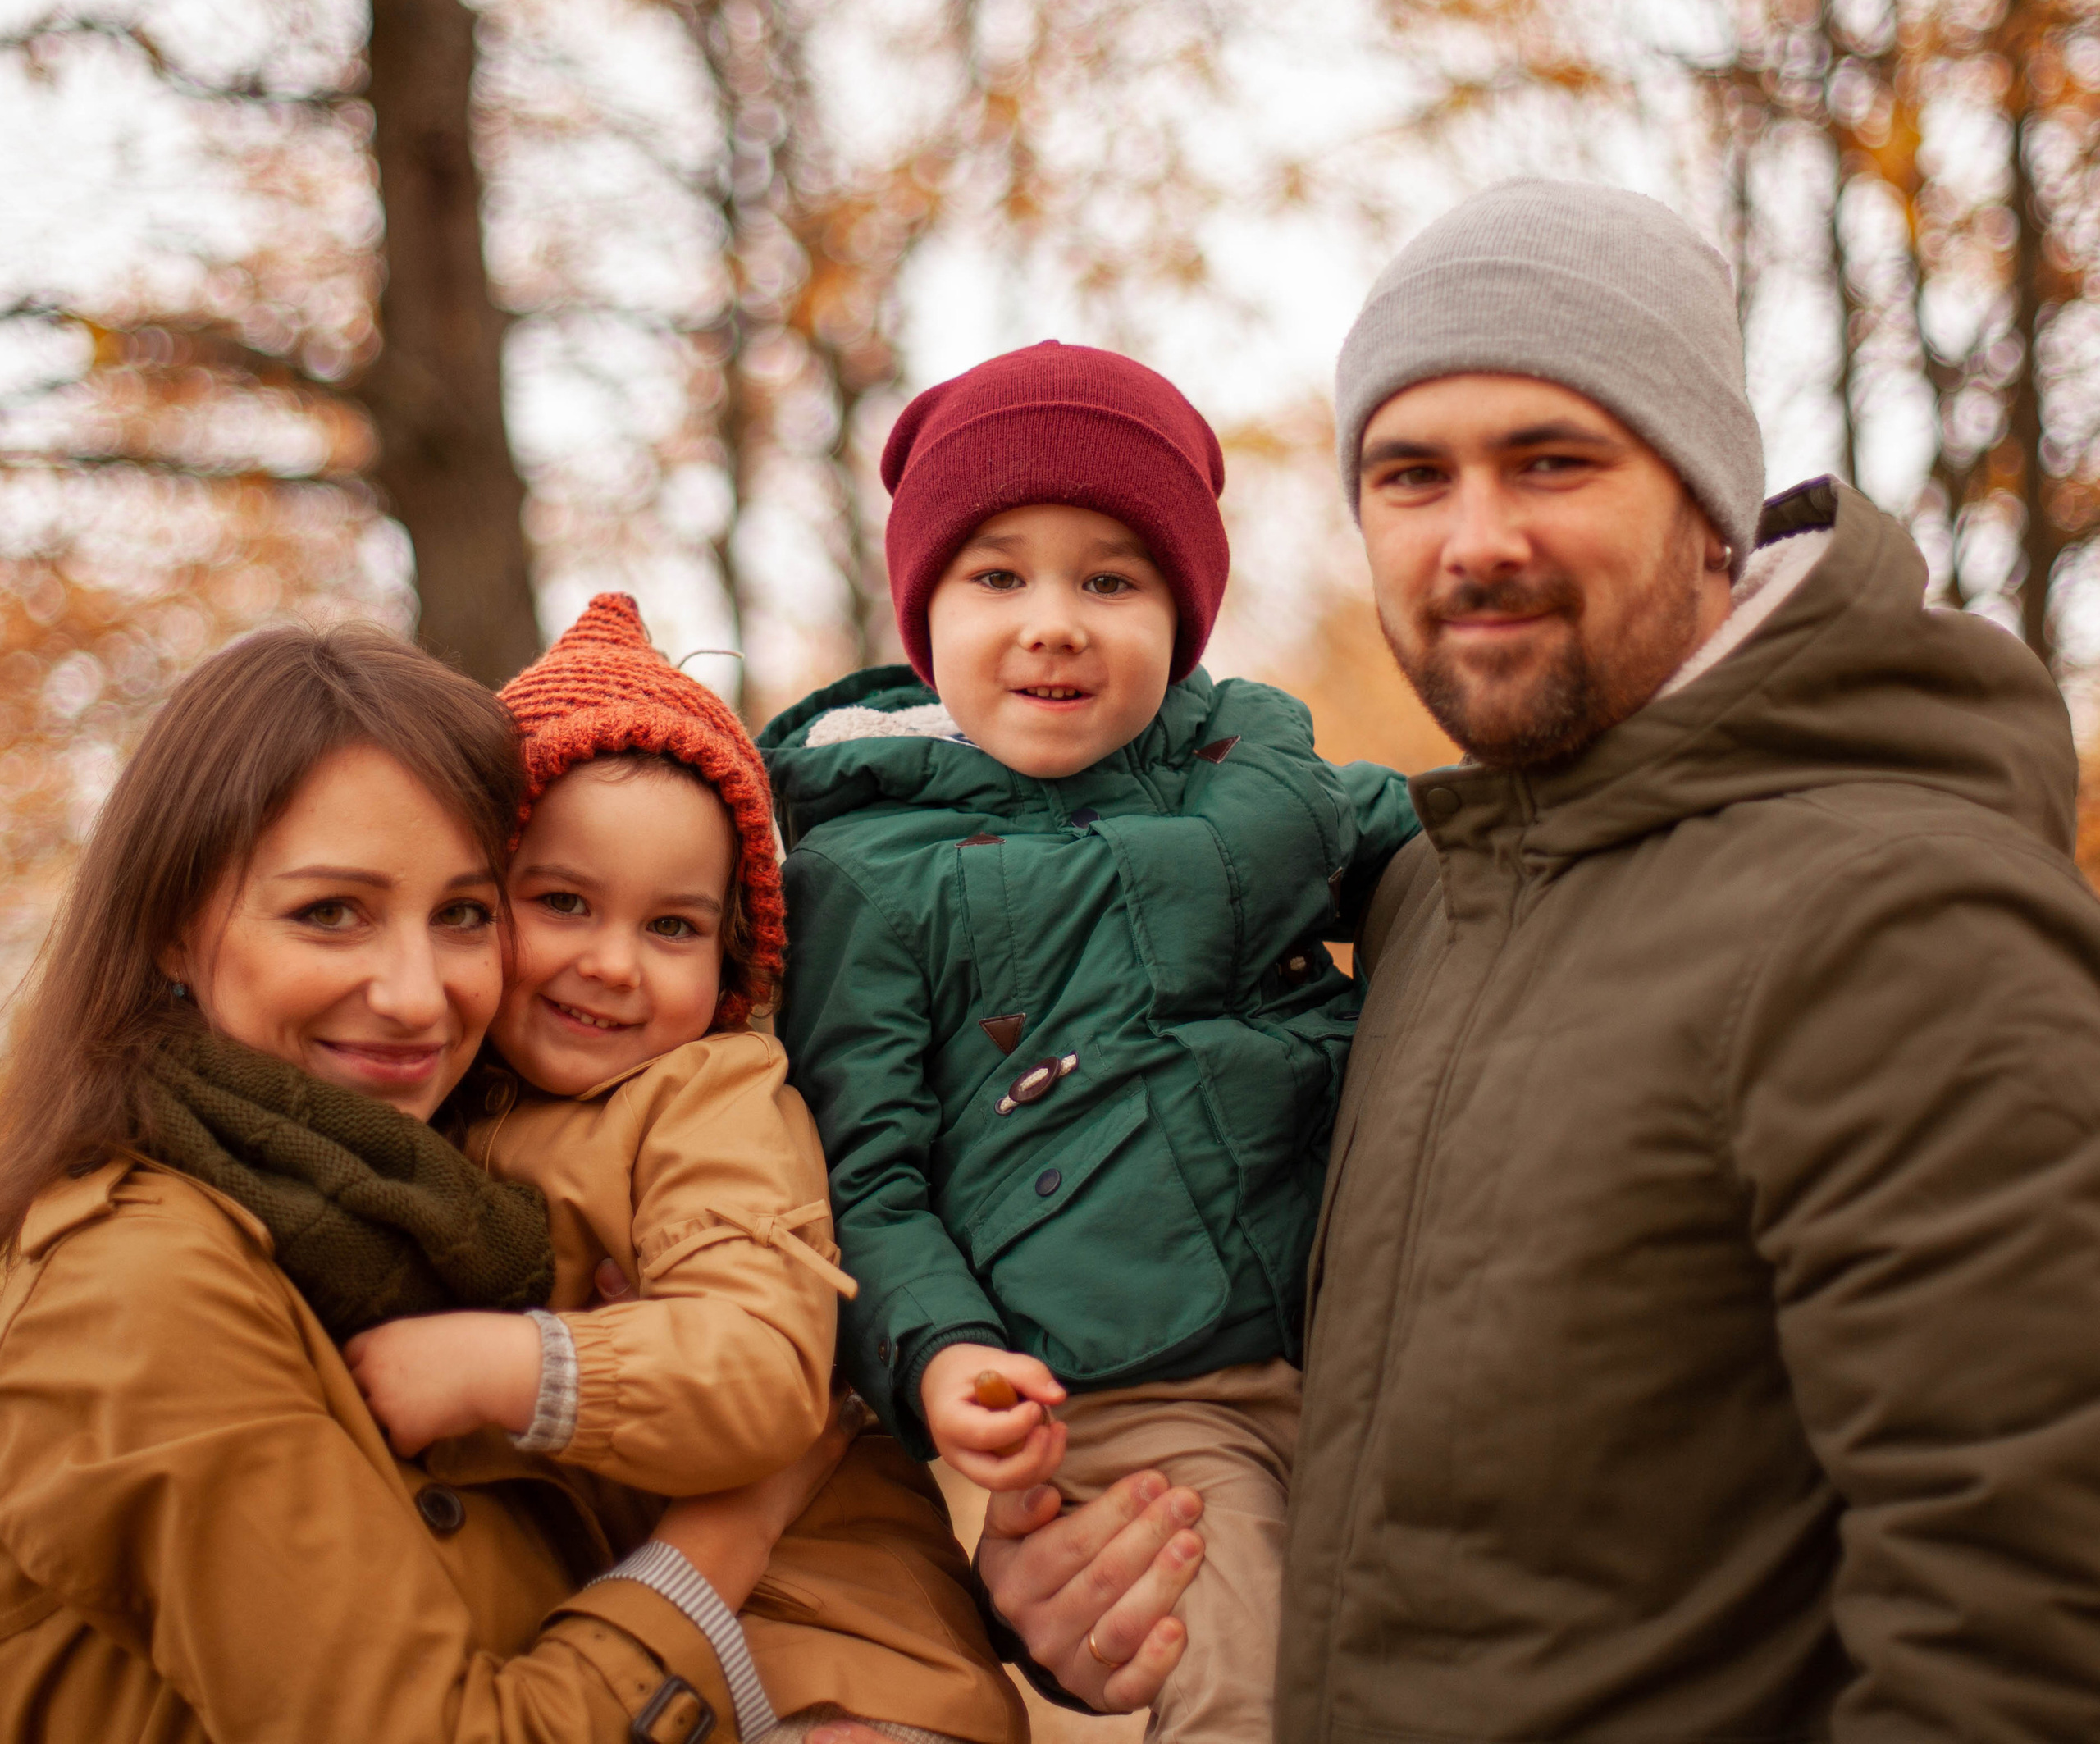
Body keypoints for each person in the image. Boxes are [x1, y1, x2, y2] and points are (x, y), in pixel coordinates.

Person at [1269, 179, 2100, 1736]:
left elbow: (2027, 1633)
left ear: (1713, 502)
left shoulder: (1900, 924)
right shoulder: (1437, 904)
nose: (1476, 541)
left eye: (1553, 461)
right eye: (1410, 476)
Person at [0, 622, 897, 1742]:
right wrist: (727, 1533)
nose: (418, 997)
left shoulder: (437, 1213)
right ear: (173, 929)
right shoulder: (137, 1288)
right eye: (331, 912)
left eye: (465, 915)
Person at [758, 341, 1420, 1742]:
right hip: (1136, 1395)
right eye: (998, 577)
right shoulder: (869, 876)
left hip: (1363, 1333)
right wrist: (945, 1358)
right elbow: (866, 1182)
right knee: (1240, 1679)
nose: (1054, 621)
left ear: (1180, 617)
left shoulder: (1261, 778)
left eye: (1109, 580)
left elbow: (1457, 841)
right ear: (923, 611)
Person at [347, 593, 1025, 1744]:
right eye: (563, 903)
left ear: (729, 960)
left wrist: (506, 1363)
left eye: (672, 927)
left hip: (841, 1650)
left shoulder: (711, 1100)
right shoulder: (442, 1109)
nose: (612, 965)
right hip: (649, 1649)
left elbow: (763, 1369)